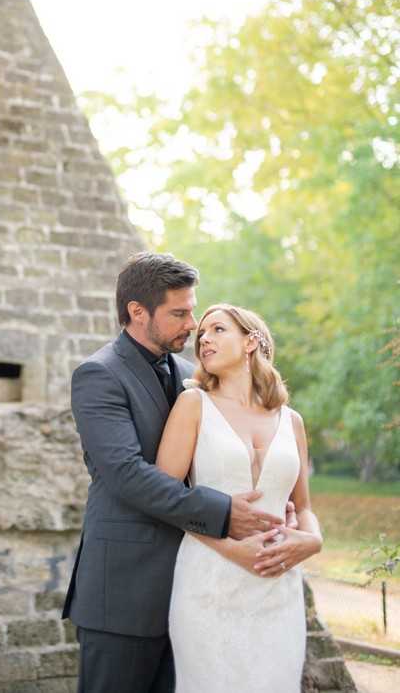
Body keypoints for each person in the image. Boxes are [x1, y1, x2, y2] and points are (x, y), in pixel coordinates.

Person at [62, 253, 296, 693]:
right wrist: (223, 511)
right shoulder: (99, 375)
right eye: (179, 313)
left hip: (199, 592)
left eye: (194, 310)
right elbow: (127, 474)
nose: (192, 325)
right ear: (137, 312)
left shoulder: (195, 378)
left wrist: (273, 499)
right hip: (126, 592)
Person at [157, 303, 322, 693]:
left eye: (218, 330)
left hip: (276, 584)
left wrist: (313, 541)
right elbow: (165, 497)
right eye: (202, 337)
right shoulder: (193, 404)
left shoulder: (291, 420)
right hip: (207, 580)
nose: (205, 340)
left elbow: (304, 508)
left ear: (250, 342)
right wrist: (233, 551)